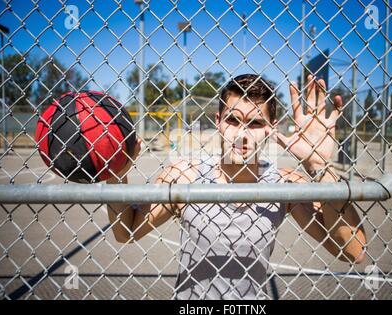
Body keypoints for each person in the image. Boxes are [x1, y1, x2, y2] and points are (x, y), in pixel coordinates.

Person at [106, 73, 366, 299]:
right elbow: (125, 232)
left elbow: (353, 250)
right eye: (233, 120)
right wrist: (116, 171)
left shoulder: (284, 184)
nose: (242, 133)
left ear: (271, 129)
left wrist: (319, 166)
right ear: (218, 121)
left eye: (255, 123)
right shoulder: (185, 176)